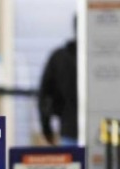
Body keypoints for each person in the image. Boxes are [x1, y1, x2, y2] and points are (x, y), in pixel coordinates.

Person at [38, 18, 78, 146]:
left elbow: (44, 96)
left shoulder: (59, 58)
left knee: (73, 164)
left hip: (69, 130)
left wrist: (47, 129)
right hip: (105, 133)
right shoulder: (59, 58)